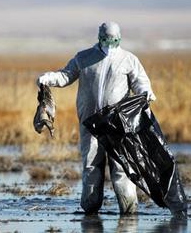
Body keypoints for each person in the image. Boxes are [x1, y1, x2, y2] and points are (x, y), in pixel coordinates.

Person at [36, 22, 156, 214]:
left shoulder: (128, 59)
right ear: (99, 38)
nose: (110, 44)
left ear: (119, 38)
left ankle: (129, 211)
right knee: (91, 164)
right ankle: (90, 210)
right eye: (106, 39)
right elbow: (66, 76)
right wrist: (48, 78)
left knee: (121, 167)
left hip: (119, 124)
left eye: (114, 40)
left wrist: (146, 92)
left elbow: (140, 81)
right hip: (90, 123)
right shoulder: (84, 58)